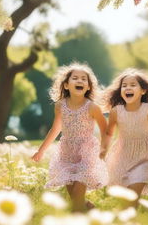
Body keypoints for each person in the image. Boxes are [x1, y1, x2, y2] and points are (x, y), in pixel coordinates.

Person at [32, 62, 108, 212]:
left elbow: (105, 129)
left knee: (76, 199)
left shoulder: (92, 107)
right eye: (75, 78)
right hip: (66, 153)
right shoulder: (60, 105)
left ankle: (81, 214)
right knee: (75, 200)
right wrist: (41, 151)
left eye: (83, 79)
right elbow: (55, 129)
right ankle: (89, 209)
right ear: (66, 85)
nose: (80, 81)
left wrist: (104, 149)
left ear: (88, 87)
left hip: (87, 153)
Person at [102, 68, 148, 205]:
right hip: (122, 156)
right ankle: (131, 215)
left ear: (143, 91)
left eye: (133, 85)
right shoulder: (116, 112)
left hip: (145, 157)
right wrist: (104, 149)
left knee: (134, 192)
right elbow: (109, 133)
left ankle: (132, 212)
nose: (128, 88)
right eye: (124, 86)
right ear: (121, 91)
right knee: (125, 196)